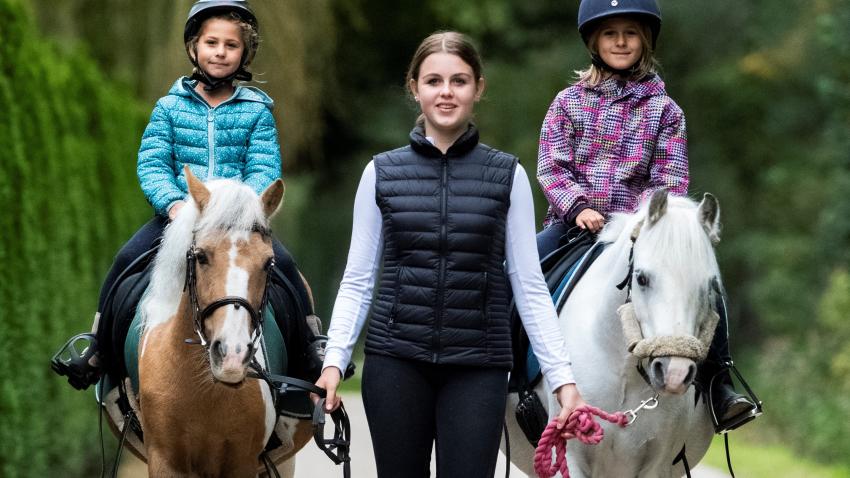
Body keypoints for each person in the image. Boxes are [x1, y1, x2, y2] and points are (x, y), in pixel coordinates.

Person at [312, 31, 585, 478]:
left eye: (459, 81)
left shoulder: (508, 175)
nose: (446, 92)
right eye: (433, 81)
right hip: (395, 362)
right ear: (414, 88)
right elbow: (358, 278)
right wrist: (334, 361)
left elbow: (529, 284)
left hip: (478, 367)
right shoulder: (380, 173)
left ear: (478, 88)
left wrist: (563, 380)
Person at [52, 0, 313, 390]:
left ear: (245, 53)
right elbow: (152, 163)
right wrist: (173, 203)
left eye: (231, 45)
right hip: (180, 215)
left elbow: (264, 167)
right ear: (194, 46)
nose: (220, 51)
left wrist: (248, 207)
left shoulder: (257, 111)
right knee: (124, 263)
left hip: (236, 223)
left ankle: (311, 351)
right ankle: (98, 347)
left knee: (287, 270)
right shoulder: (169, 107)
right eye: (212, 42)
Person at [535, 0, 759, 433]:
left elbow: (671, 179)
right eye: (610, 33)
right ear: (593, 42)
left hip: (644, 231)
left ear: (646, 40)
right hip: (575, 225)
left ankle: (720, 386)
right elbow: (552, 165)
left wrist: (645, 223)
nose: (620, 41)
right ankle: (504, 378)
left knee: (706, 285)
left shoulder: (666, 111)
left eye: (631, 32)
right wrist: (578, 205)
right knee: (519, 271)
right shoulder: (568, 103)